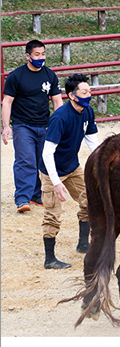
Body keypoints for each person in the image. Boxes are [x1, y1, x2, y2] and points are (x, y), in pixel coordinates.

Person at [39, 74, 100, 269]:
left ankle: (83, 244)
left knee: (89, 201)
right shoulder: (60, 117)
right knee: (52, 214)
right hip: (51, 171)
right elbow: (47, 153)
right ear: (72, 96)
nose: (89, 94)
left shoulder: (87, 111)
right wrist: (56, 183)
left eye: (89, 91)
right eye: (85, 92)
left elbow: (92, 140)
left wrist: (102, 159)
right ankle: (50, 259)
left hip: (72, 167)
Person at [2, 39, 63, 213]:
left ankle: (37, 194)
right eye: (37, 54)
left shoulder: (50, 75)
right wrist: (6, 127)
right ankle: (22, 198)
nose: (41, 57)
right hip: (22, 125)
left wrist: (59, 124)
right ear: (28, 56)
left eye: (43, 54)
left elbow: (57, 100)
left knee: (42, 160)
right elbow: (7, 102)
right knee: (25, 160)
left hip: (44, 125)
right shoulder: (16, 76)